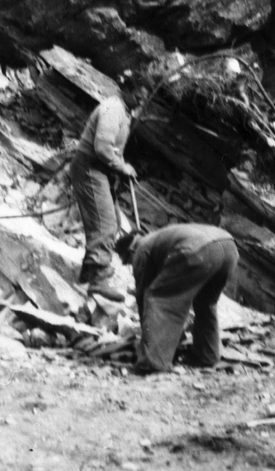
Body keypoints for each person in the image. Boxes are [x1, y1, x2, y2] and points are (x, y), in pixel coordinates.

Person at [115, 223, 239, 375]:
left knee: (158, 298)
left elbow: (144, 297)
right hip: (228, 247)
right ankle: (207, 356)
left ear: (129, 251)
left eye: (128, 261)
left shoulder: (141, 249)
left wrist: (149, 338)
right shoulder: (159, 238)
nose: (131, 265)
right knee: (205, 303)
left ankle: (154, 363)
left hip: (197, 250)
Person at [70, 84, 143, 301]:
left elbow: (112, 149)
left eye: (144, 97)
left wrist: (120, 166)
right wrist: (121, 167)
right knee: (105, 224)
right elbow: (102, 147)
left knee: (115, 221)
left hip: (100, 170)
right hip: (89, 167)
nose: (141, 100)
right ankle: (98, 281)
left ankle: (88, 272)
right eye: (139, 93)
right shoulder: (112, 109)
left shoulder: (124, 111)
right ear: (127, 89)